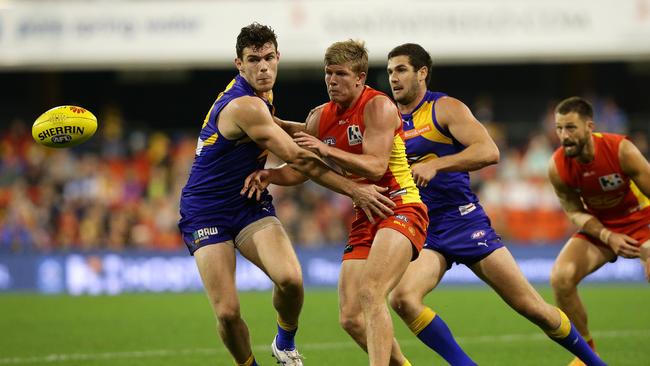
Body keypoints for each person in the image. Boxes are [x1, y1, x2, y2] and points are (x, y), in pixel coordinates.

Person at [178, 24, 395, 366]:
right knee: (228, 312)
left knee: (291, 280)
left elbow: (282, 130)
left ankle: (285, 343)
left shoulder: (264, 98)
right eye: (253, 60)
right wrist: (355, 189)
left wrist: (313, 136)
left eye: (268, 58)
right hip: (206, 211)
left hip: (248, 203)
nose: (262, 67)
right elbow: (298, 158)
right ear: (239, 63)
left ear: (278, 57)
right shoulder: (245, 106)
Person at [384, 43, 606, 366]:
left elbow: (489, 152)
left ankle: (595, 363)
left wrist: (438, 165)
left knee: (532, 308)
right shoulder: (387, 117)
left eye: (401, 69)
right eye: (390, 71)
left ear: (422, 73)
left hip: (464, 222)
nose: (394, 78)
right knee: (402, 298)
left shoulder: (444, 109)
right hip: (425, 228)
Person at [244, 40, 428, 366]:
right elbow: (301, 169)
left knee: (372, 293)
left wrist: (325, 150)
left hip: (400, 206)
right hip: (365, 213)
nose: (332, 81)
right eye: (328, 74)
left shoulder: (378, 106)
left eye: (341, 74)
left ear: (360, 77)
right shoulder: (320, 117)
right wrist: (270, 175)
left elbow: (375, 166)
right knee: (350, 318)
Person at [548, 96, 650, 365]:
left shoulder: (621, 150)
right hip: (604, 228)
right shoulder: (558, 166)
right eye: (559, 128)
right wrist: (607, 236)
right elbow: (573, 211)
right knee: (561, 278)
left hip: (643, 222)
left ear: (589, 126)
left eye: (570, 128)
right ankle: (587, 355)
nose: (563, 136)